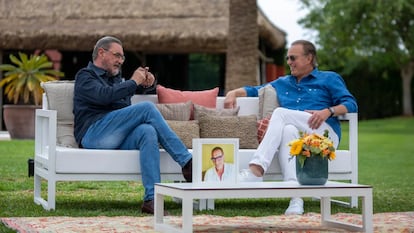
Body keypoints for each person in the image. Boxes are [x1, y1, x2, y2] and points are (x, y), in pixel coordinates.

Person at [224, 40, 358, 215]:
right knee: (288, 130)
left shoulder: (329, 78)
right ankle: (296, 200)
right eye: (287, 58)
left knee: (280, 113)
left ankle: (256, 170)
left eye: (293, 58)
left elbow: (351, 104)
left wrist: (328, 111)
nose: (289, 62)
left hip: (324, 136)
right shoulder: (284, 82)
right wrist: (233, 93)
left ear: (309, 58)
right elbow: (254, 90)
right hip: (298, 138)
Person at [73, 36, 192, 215]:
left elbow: (122, 97)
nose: (120, 61)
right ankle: (187, 162)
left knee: (148, 131)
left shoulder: (116, 80)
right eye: (117, 56)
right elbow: (104, 96)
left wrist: (147, 84)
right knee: (146, 108)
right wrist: (133, 81)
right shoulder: (85, 76)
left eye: (122, 58)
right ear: (101, 52)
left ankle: (151, 199)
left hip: (116, 136)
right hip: (94, 134)